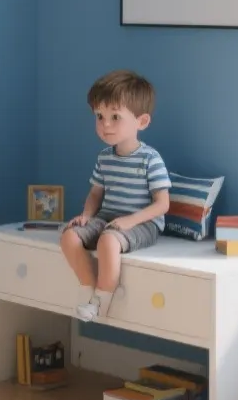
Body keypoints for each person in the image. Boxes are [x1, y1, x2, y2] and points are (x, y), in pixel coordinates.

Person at [59, 70, 170, 321]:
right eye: (100, 116)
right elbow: (95, 193)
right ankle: (88, 290)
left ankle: (102, 301)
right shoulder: (105, 158)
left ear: (141, 122)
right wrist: (86, 216)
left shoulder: (150, 159)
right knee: (69, 237)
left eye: (115, 117)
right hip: (108, 216)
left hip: (142, 223)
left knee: (108, 241)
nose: (105, 124)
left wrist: (130, 221)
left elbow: (163, 205)